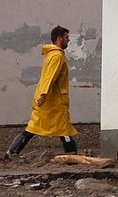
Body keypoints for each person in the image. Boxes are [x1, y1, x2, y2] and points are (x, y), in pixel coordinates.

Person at [8, 27, 78, 156]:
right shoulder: (57, 56)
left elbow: (47, 76)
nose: (68, 40)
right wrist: (44, 93)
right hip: (54, 101)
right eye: (67, 37)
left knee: (33, 127)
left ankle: (12, 152)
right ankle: (71, 154)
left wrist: (43, 94)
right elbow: (50, 76)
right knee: (64, 129)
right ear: (60, 38)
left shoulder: (51, 55)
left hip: (47, 100)